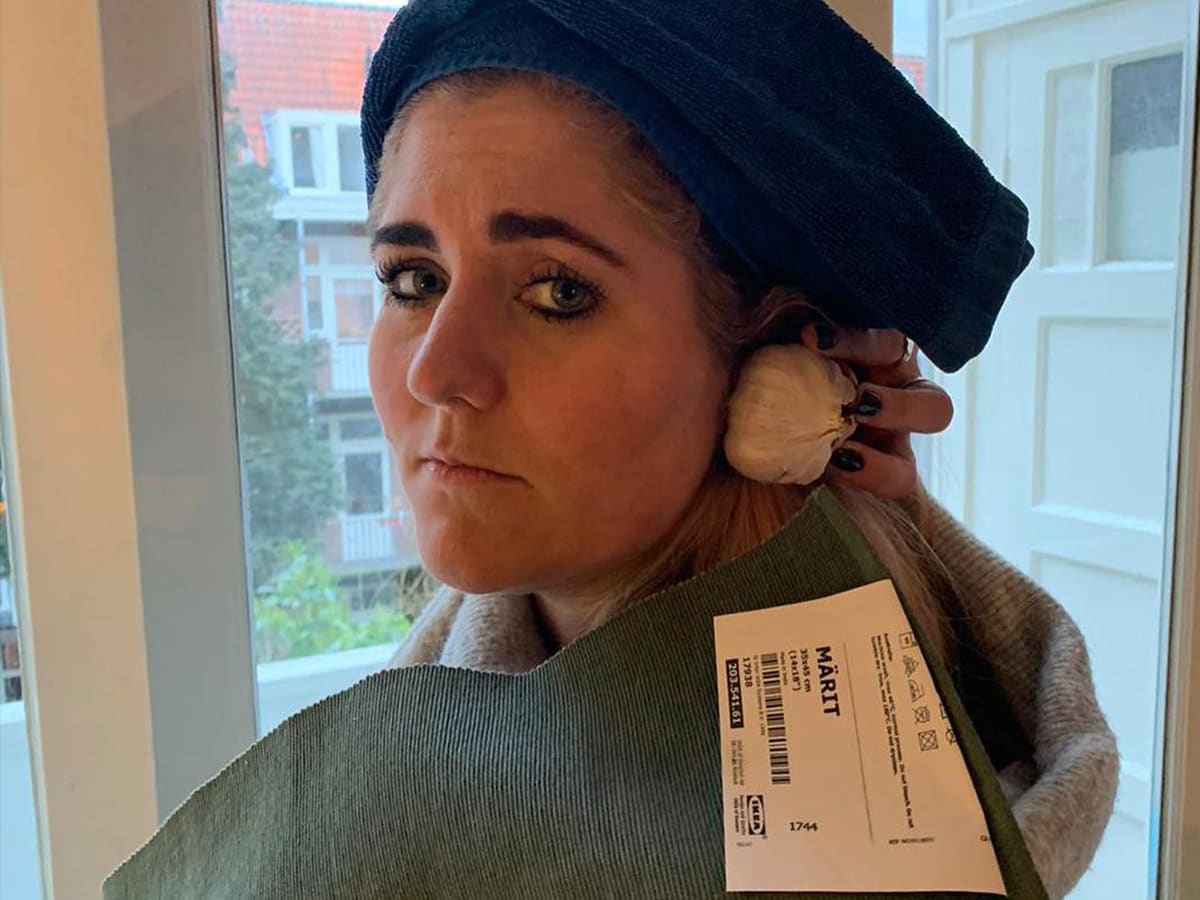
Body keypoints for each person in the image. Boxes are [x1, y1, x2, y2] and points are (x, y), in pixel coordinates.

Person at [102, 3, 1117, 898]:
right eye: (413, 279)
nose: (436, 370)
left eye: (557, 292)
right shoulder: (408, 741)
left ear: (773, 368)